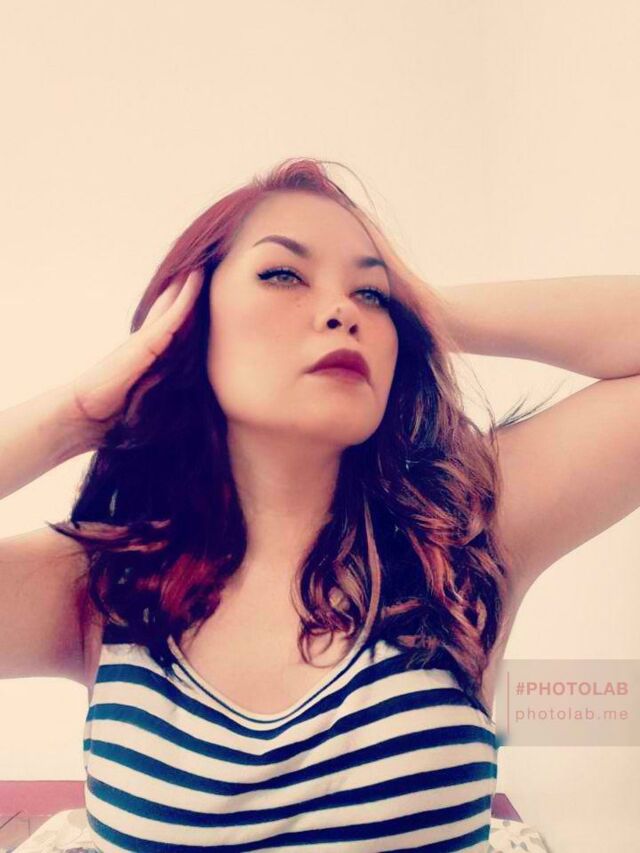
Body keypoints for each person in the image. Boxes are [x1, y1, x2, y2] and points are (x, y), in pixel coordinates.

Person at [2, 157, 638, 851]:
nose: (343, 310)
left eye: (372, 293)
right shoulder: (100, 581)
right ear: (187, 323)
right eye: (283, 274)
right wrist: (76, 414)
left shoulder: (465, 530)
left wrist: (430, 308)